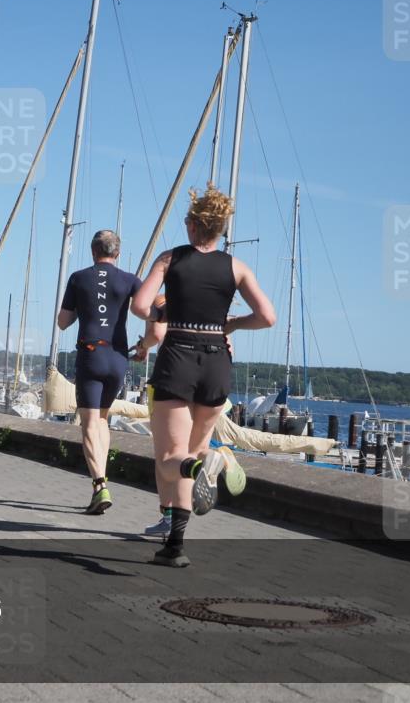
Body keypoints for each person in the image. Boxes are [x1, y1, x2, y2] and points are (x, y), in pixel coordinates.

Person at [132, 184, 275, 567]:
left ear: (194, 225)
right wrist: (231, 325)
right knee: (192, 451)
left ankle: (198, 468)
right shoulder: (237, 267)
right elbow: (267, 317)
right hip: (216, 362)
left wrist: (161, 316)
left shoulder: (169, 258)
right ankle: (175, 547)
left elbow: (140, 305)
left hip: (177, 356)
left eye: (186, 221)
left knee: (169, 459)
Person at [56, 230, 145, 515]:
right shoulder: (130, 280)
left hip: (91, 355)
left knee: (89, 422)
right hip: (118, 357)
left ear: (93, 251)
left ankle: (99, 484)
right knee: (103, 419)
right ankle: (102, 478)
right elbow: (150, 309)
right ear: (117, 253)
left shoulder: (79, 278)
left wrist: (85, 305)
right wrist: (146, 346)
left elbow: (63, 322)